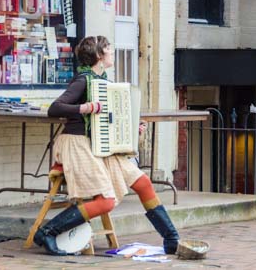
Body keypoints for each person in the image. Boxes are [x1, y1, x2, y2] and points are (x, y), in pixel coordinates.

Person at [34, 35, 180, 256]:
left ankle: (171, 239)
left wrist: (133, 130)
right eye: (109, 50)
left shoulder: (104, 83)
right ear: (99, 56)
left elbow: (111, 122)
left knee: (143, 183)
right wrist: (85, 108)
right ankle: (46, 232)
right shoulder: (83, 80)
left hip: (101, 144)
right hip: (77, 143)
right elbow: (55, 108)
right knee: (106, 202)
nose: (112, 53)